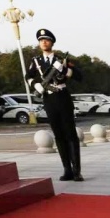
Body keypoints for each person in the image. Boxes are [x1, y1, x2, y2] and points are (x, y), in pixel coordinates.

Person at [26, 28, 84, 182]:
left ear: (52, 43)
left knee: (70, 134)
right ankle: (67, 170)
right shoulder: (36, 61)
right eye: (41, 40)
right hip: (49, 99)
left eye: (47, 40)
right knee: (58, 134)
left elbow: (79, 76)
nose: (44, 42)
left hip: (62, 97)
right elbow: (28, 76)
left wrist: (64, 70)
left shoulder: (61, 60)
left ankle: (77, 171)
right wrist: (36, 84)